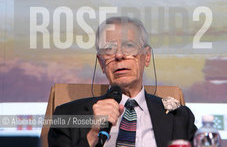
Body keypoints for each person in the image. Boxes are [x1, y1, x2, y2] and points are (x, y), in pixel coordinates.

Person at [48, 16, 197, 147]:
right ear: (101, 63)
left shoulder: (179, 116)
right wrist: (93, 133)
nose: (119, 55)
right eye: (109, 48)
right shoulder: (66, 115)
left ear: (146, 56)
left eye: (129, 46)